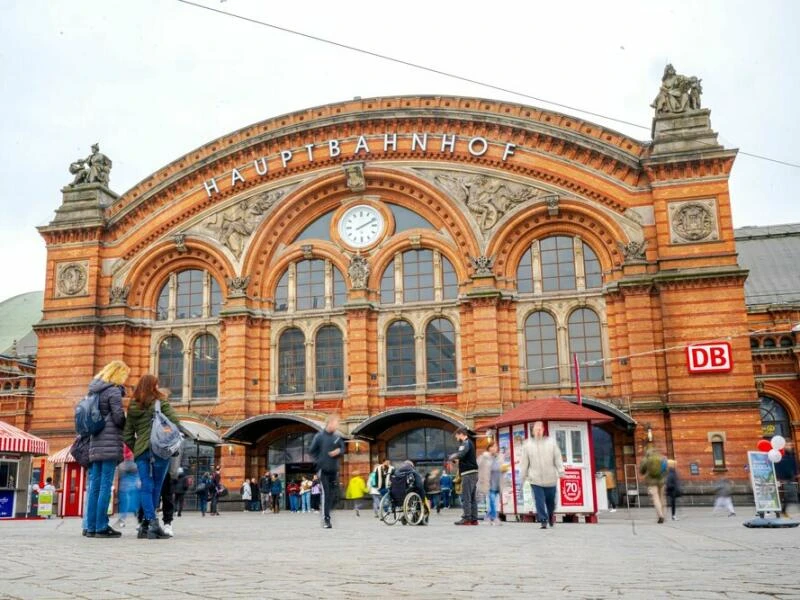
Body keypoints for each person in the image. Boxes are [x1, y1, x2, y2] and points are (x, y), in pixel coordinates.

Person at [122, 374, 180, 539]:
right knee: (156, 486)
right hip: (160, 450)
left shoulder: (133, 406)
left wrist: (138, 448)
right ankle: (152, 524)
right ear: (154, 386)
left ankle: (146, 525)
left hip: (142, 452)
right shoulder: (161, 401)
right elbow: (175, 422)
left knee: (146, 486)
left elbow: (127, 435)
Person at [85, 360, 129, 538]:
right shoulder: (113, 391)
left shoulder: (93, 390)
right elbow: (118, 417)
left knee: (94, 486)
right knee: (105, 486)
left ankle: (90, 526)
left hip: (95, 441)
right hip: (109, 442)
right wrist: (126, 423)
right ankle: (101, 526)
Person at [519, 421, 564, 529]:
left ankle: (550, 515)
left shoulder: (551, 443)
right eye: (536, 429)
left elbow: (557, 458)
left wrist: (561, 471)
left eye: (540, 429)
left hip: (550, 478)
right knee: (539, 500)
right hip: (535, 478)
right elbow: (524, 462)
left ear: (543, 430)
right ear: (533, 431)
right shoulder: (527, 445)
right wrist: (523, 475)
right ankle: (543, 520)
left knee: (550, 501)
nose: (538, 431)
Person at [309, 414, 345, 529]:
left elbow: (343, 449)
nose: (337, 425)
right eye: (336, 423)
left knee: (334, 495)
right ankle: (326, 519)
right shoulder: (319, 437)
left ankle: (326, 510)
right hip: (323, 470)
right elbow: (312, 450)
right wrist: (320, 461)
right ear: (330, 423)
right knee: (326, 494)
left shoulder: (337, 437)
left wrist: (338, 451)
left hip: (334, 470)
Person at [449, 428, 479, 526]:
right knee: (472, 497)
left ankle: (466, 518)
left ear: (461, 434)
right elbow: (464, 458)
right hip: (473, 473)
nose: (456, 438)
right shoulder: (470, 443)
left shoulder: (465, 443)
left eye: (457, 436)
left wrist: (452, 457)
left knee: (466, 497)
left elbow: (461, 454)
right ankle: (474, 519)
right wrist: (457, 460)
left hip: (468, 474)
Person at [478, 441, 505, 525]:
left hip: (497, 483)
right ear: (489, 448)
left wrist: (504, 469)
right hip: (488, 483)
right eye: (492, 447)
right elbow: (479, 465)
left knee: (493, 502)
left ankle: (488, 517)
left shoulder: (500, 457)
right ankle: (495, 518)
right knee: (492, 501)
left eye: (495, 447)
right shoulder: (484, 457)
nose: (494, 448)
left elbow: (501, 468)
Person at [639, 446, 668, 524]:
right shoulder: (662, 458)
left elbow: (641, 471)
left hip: (651, 482)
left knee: (655, 498)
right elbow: (666, 470)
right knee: (662, 497)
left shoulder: (646, 459)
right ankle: (663, 515)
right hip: (661, 481)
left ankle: (660, 516)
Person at [115, 446, 139, 528]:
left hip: (123, 463)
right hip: (134, 462)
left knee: (124, 494)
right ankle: (139, 518)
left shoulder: (122, 437)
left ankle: (122, 519)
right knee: (136, 492)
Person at [775, 442, 798, 517]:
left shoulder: (791, 455)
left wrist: (795, 474)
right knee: (790, 496)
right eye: (788, 445)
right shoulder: (781, 456)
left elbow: (794, 466)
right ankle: (782, 511)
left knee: (791, 497)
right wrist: (780, 478)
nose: (790, 446)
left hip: (791, 479)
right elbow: (778, 467)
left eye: (791, 445)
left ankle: (783, 511)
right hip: (785, 479)